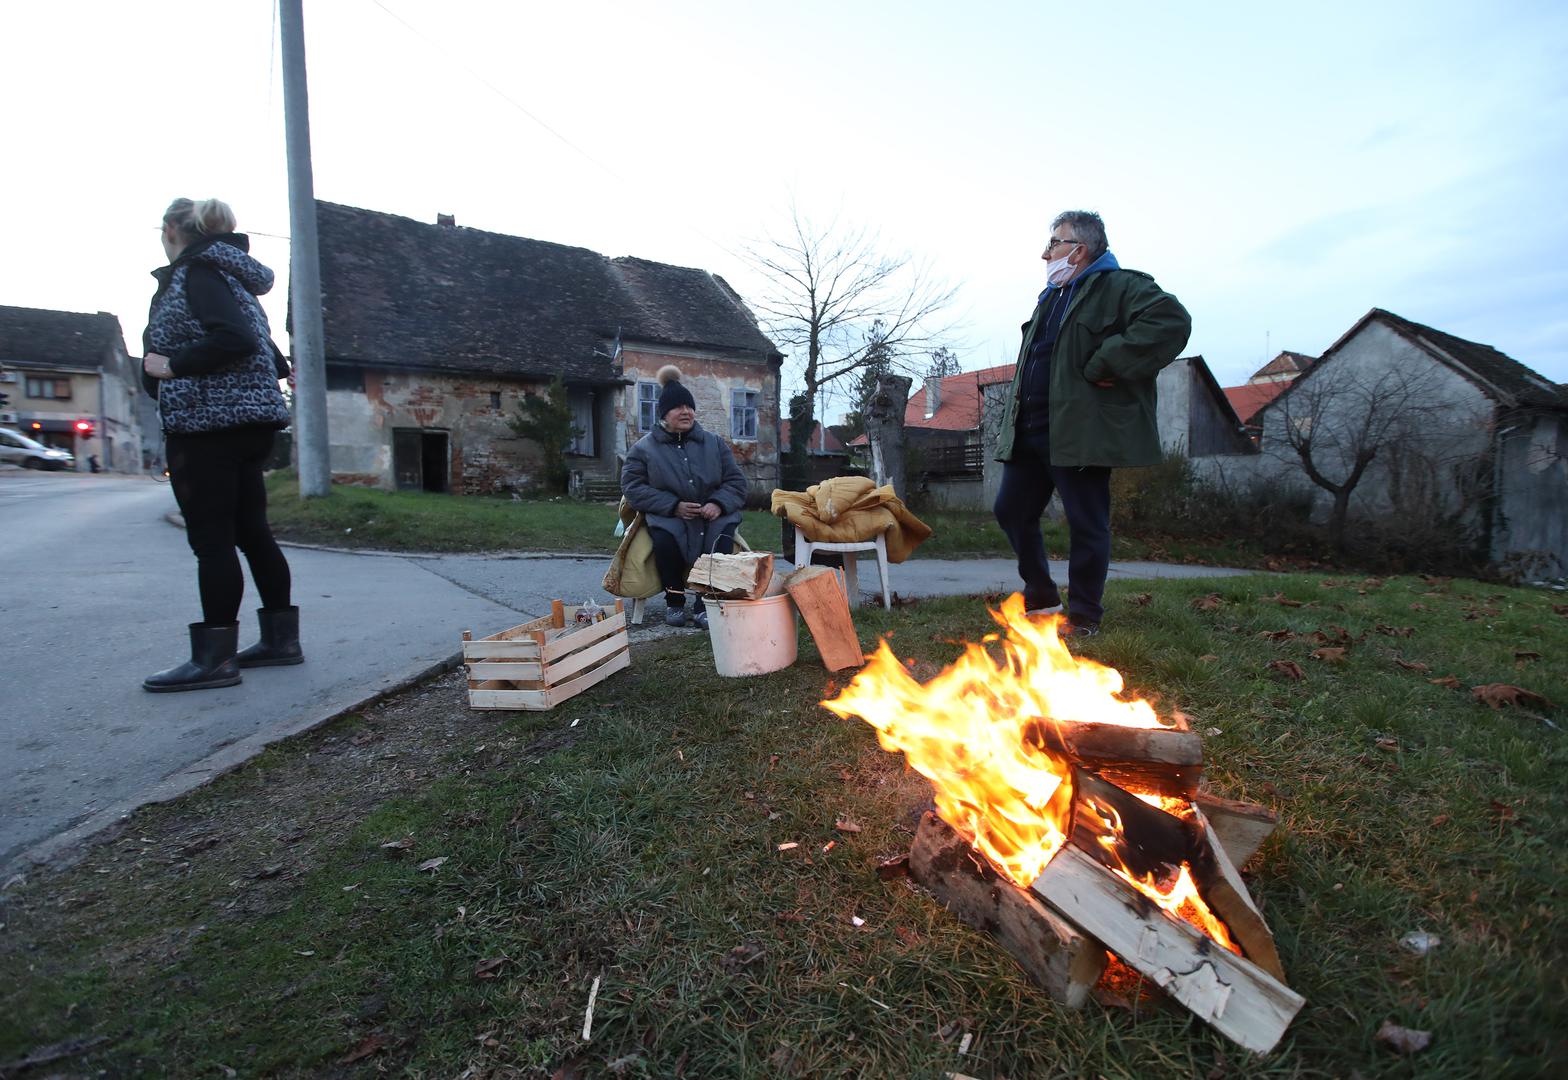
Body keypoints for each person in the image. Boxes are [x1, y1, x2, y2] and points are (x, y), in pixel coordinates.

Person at [993, 210, 1191, 637]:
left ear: (1079, 249)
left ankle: (1084, 616)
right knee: (1010, 510)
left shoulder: (1121, 287)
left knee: (1086, 522)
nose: (1045, 253)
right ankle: (1042, 597)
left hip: (1080, 430)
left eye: (1054, 243)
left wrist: (1110, 362)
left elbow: (1170, 322)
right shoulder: (1051, 296)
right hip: (1031, 427)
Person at [140, 197, 300, 692]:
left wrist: (172, 366)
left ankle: (214, 660)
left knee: (212, 540)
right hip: (249, 423)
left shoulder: (197, 272)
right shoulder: (233, 277)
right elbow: (270, 356)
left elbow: (234, 339)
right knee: (252, 531)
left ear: (171, 230)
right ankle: (280, 641)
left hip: (209, 425)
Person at [620, 365, 748, 629]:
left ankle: (705, 604)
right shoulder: (644, 448)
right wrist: (673, 506)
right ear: (664, 414)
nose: (686, 412)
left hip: (713, 517)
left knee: (719, 543)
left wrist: (718, 503)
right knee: (666, 543)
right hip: (669, 516)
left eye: (689, 407)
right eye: (678, 407)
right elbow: (632, 487)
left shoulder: (715, 443)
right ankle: (675, 602)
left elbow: (736, 482)